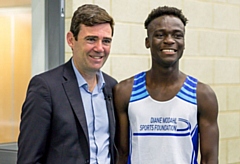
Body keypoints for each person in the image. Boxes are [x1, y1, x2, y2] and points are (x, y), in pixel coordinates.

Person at [114, 6, 219, 164]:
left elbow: (210, 158)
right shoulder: (125, 91)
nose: (169, 40)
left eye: (177, 35)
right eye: (160, 34)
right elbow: (121, 153)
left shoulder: (202, 95)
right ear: (147, 42)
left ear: (183, 42)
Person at [17, 4, 117, 164]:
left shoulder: (112, 88)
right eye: (91, 39)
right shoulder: (45, 88)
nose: (100, 48)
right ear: (71, 40)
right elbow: (29, 159)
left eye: (106, 41)